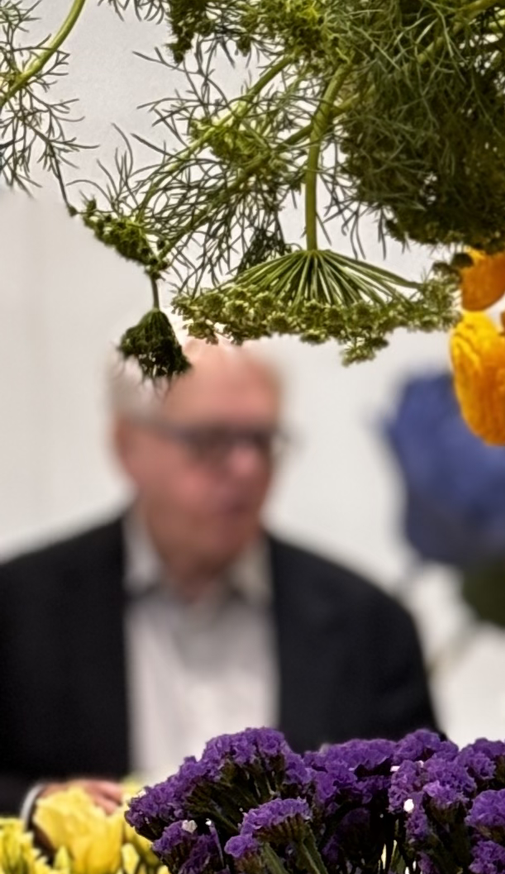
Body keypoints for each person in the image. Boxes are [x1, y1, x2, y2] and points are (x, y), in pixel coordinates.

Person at [0, 339, 436, 810]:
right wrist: (39, 809)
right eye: (209, 441)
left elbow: (424, 807)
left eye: (261, 440)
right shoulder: (20, 608)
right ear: (127, 446)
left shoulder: (368, 625)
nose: (246, 468)